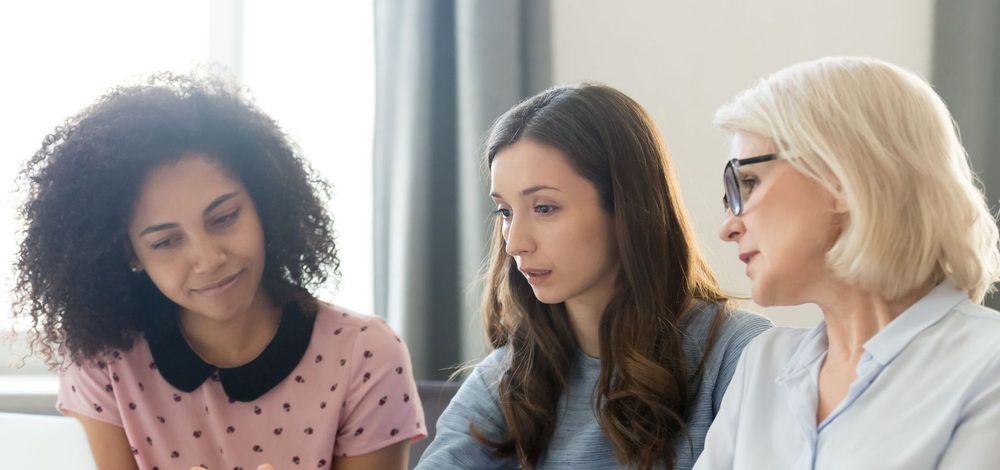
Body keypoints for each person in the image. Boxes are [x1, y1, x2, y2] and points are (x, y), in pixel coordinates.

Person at [13, 72, 425, 470]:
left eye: (225, 218)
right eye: (166, 242)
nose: (209, 259)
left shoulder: (365, 355)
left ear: (263, 203)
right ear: (129, 253)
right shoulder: (101, 361)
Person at [416, 83, 772, 470]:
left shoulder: (740, 354)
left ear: (626, 207)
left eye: (544, 208)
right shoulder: (509, 376)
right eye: (505, 212)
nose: (514, 243)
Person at [695, 56, 1000, 469]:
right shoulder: (762, 364)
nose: (728, 227)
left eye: (749, 182)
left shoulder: (989, 366)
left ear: (839, 177)